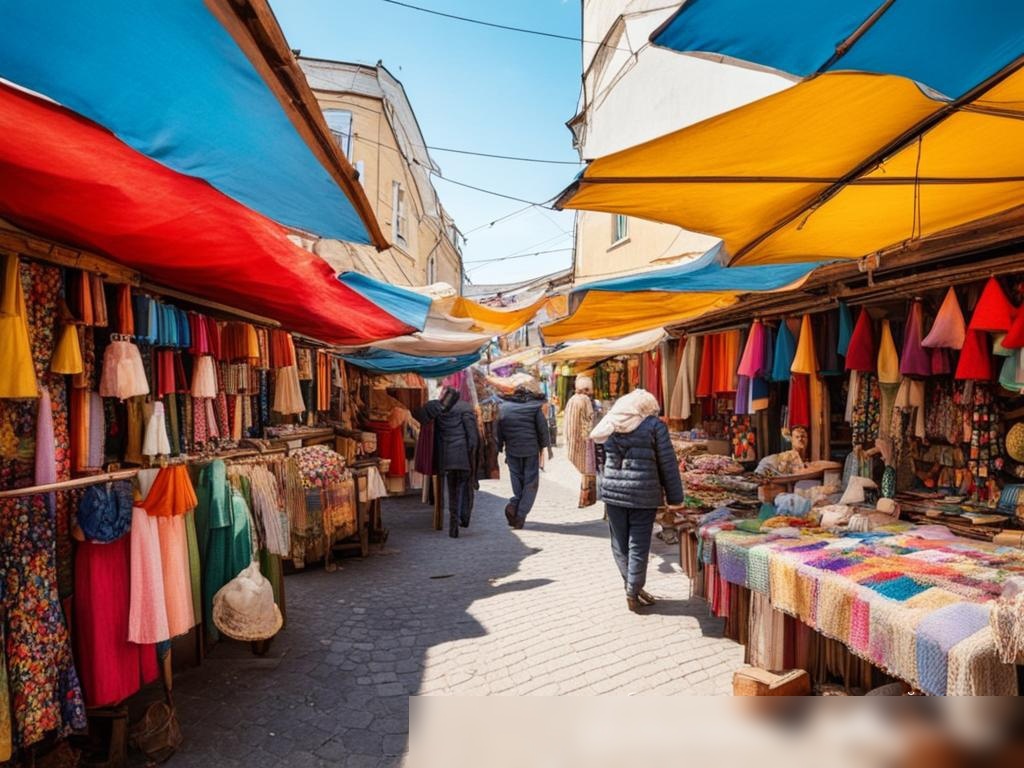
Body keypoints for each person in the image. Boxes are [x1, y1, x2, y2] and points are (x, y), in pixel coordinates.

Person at [591, 389, 683, 613]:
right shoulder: (654, 426)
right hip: (644, 494)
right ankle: (633, 590)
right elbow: (667, 463)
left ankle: (632, 586)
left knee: (620, 544)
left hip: (614, 494)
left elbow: (600, 459)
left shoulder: (609, 423)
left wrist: (606, 482)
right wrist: (675, 498)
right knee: (638, 545)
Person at [414, 386, 480, 538]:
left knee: (452, 491)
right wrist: (473, 458)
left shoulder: (437, 409)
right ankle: (463, 518)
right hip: (463, 457)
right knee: (464, 488)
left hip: (447, 458)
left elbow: (421, 417)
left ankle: (453, 525)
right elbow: (473, 439)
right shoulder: (465, 408)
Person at [497, 376, 550, 530]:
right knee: (530, 482)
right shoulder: (534, 406)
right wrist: (545, 447)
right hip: (530, 450)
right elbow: (542, 429)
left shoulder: (504, 407)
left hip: (512, 450)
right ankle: (519, 514)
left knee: (517, 481)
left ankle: (514, 505)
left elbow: (499, 430)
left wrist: (499, 446)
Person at [563, 375, 598, 507]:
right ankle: (586, 498)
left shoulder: (572, 399)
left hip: (571, 438)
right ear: (587, 389)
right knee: (586, 470)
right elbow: (589, 420)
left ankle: (583, 498)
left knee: (582, 469)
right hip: (584, 439)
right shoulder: (585, 400)